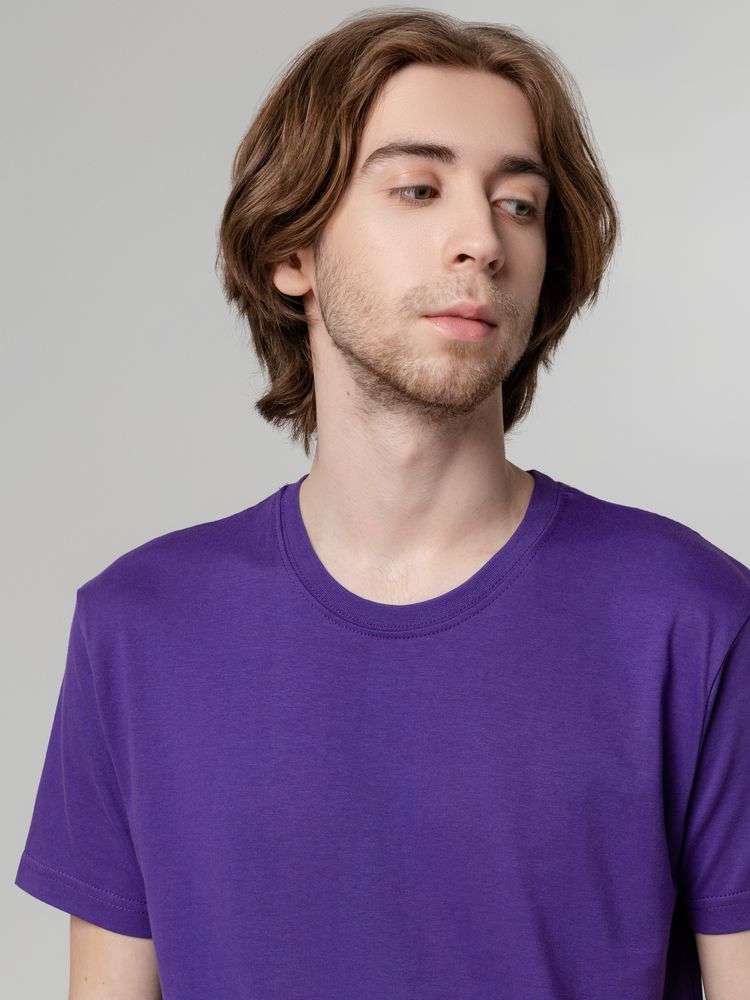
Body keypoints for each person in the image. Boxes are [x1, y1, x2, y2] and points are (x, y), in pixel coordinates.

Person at [14, 9, 750, 999]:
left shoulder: (694, 620)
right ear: (292, 253)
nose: (481, 241)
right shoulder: (139, 629)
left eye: (520, 204)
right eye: (417, 189)